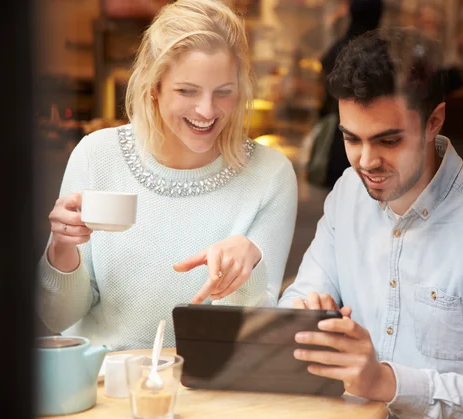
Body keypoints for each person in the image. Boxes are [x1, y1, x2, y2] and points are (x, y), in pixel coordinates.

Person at [279, 27, 463, 417]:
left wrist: (385, 383)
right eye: (352, 139)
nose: (365, 161)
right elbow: (297, 299)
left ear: (434, 121)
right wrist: (306, 312)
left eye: (388, 140)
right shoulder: (348, 193)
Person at [37, 0, 298, 351]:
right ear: (154, 86)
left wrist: (244, 272)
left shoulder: (270, 175)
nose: (206, 111)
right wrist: (61, 247)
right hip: (105, 386)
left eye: (224, 92)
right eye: (186, 91)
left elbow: (253, 338)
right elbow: (58, 318)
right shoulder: (96, 155)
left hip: (209, 390)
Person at [309, 0, 383, 188]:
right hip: (371, 132)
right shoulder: (379, 51)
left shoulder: (343, 45)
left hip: (341, 129)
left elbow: (324, 75)